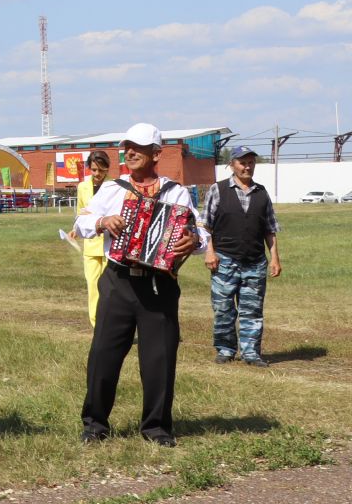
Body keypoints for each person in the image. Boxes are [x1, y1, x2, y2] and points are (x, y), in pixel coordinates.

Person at [76, 123, 207, 447]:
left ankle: (157, 428)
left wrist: (193, 241)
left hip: (159, 285)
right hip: (118, 281)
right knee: (103, 356)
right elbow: (81, 223)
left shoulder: (175, 192)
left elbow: (201, 232)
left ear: (156, 154)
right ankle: (94, 424)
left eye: (139, 147)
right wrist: (102, 221)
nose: (130, 152)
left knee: (159, 358)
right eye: (127, 146)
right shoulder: (112, 189)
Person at [202, 148, 281, 367]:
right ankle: (226, 349)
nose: (247, 167)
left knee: (252, 310)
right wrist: (210, 252)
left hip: (255, 262)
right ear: (232, 165)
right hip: (224, 260)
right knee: (223, 308)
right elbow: (205, 226)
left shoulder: (261, 193)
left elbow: (270, 229)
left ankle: (251, 353)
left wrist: (274, 258)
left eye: (250, 163)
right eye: (242, 163)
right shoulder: (217, 190)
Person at [77, 150, 112, 324]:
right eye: (93, 170)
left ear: (107, 169)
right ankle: (96, 323)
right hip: (90, 245)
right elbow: (80, 214)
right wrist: (74, 230)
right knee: (92, 285)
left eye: (101, 170)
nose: (97, 174)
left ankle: (111, 322)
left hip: (108, 245)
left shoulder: (114, 187)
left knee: (109, 287)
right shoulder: (82, 187)